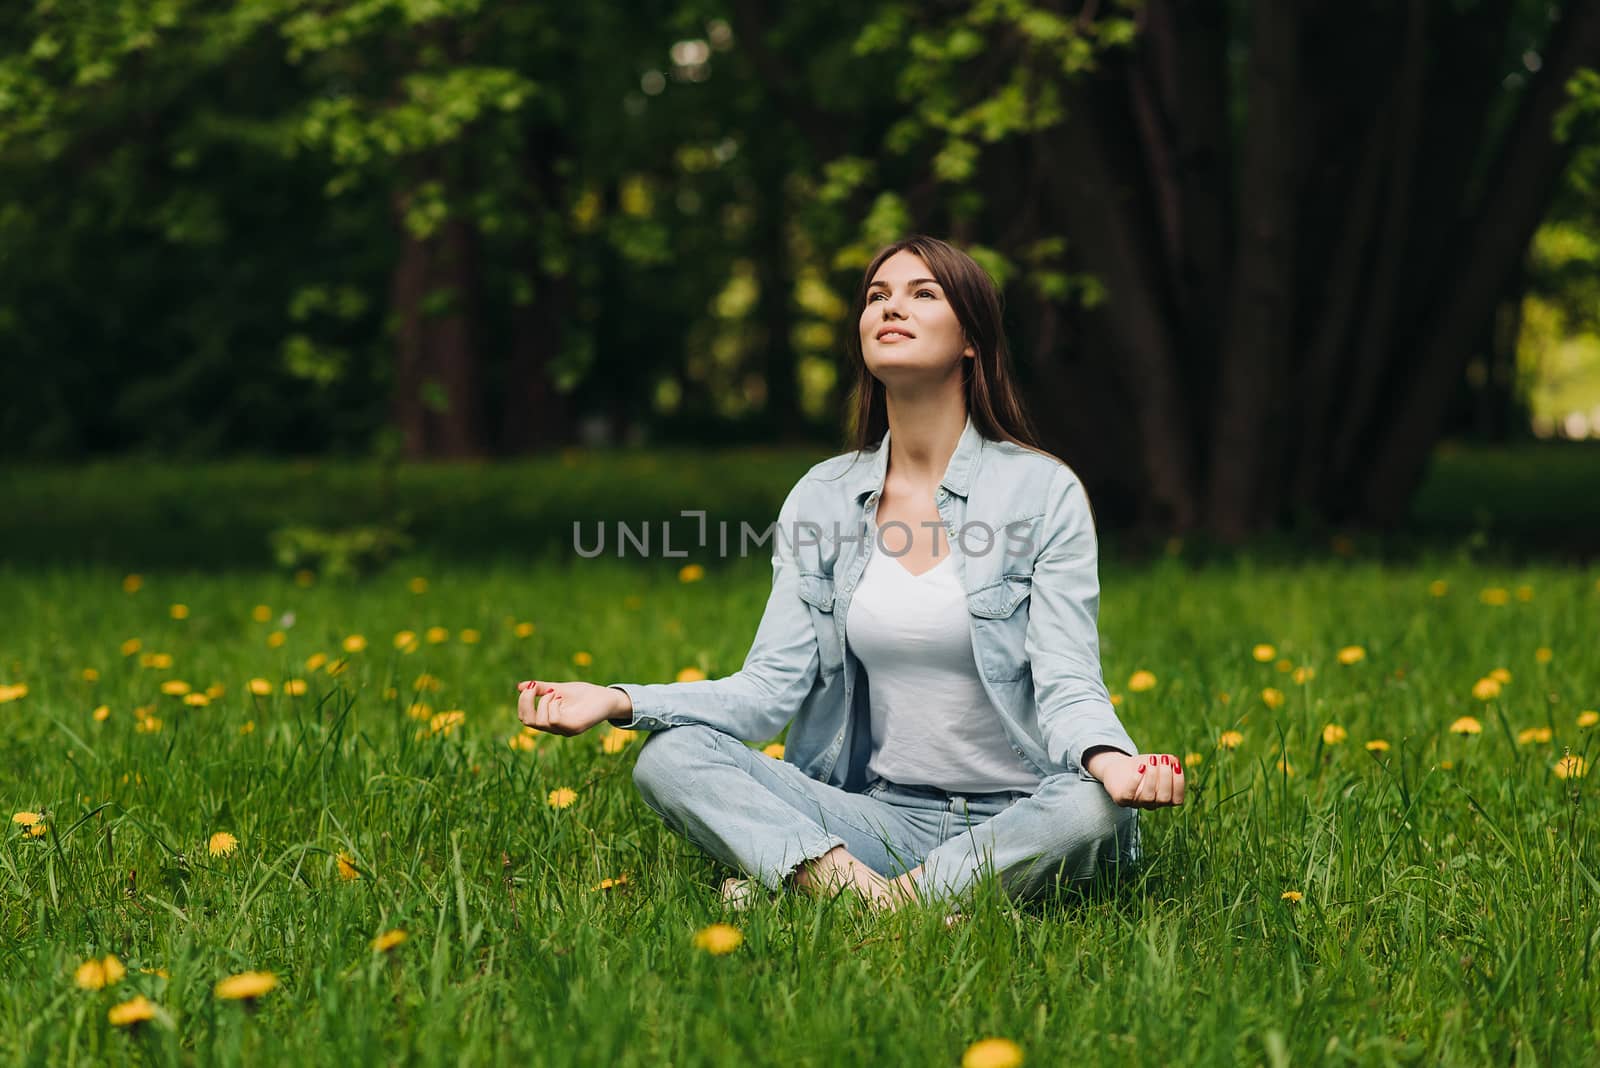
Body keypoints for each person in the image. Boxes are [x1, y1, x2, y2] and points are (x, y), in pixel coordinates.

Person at [516, 234, 1185, 914]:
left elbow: (1069, 683)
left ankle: (834, 894)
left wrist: (1114, 767)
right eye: (877, 296)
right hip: (881, 819)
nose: (892, 307)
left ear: (971, 340)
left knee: (1091, 809)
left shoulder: (1042, 493)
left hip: (1020, 817)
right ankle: (894, 903)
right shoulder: (823, 497)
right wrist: (618, 700)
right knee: (669, 757)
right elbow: (767, 690)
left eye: (924, 293)